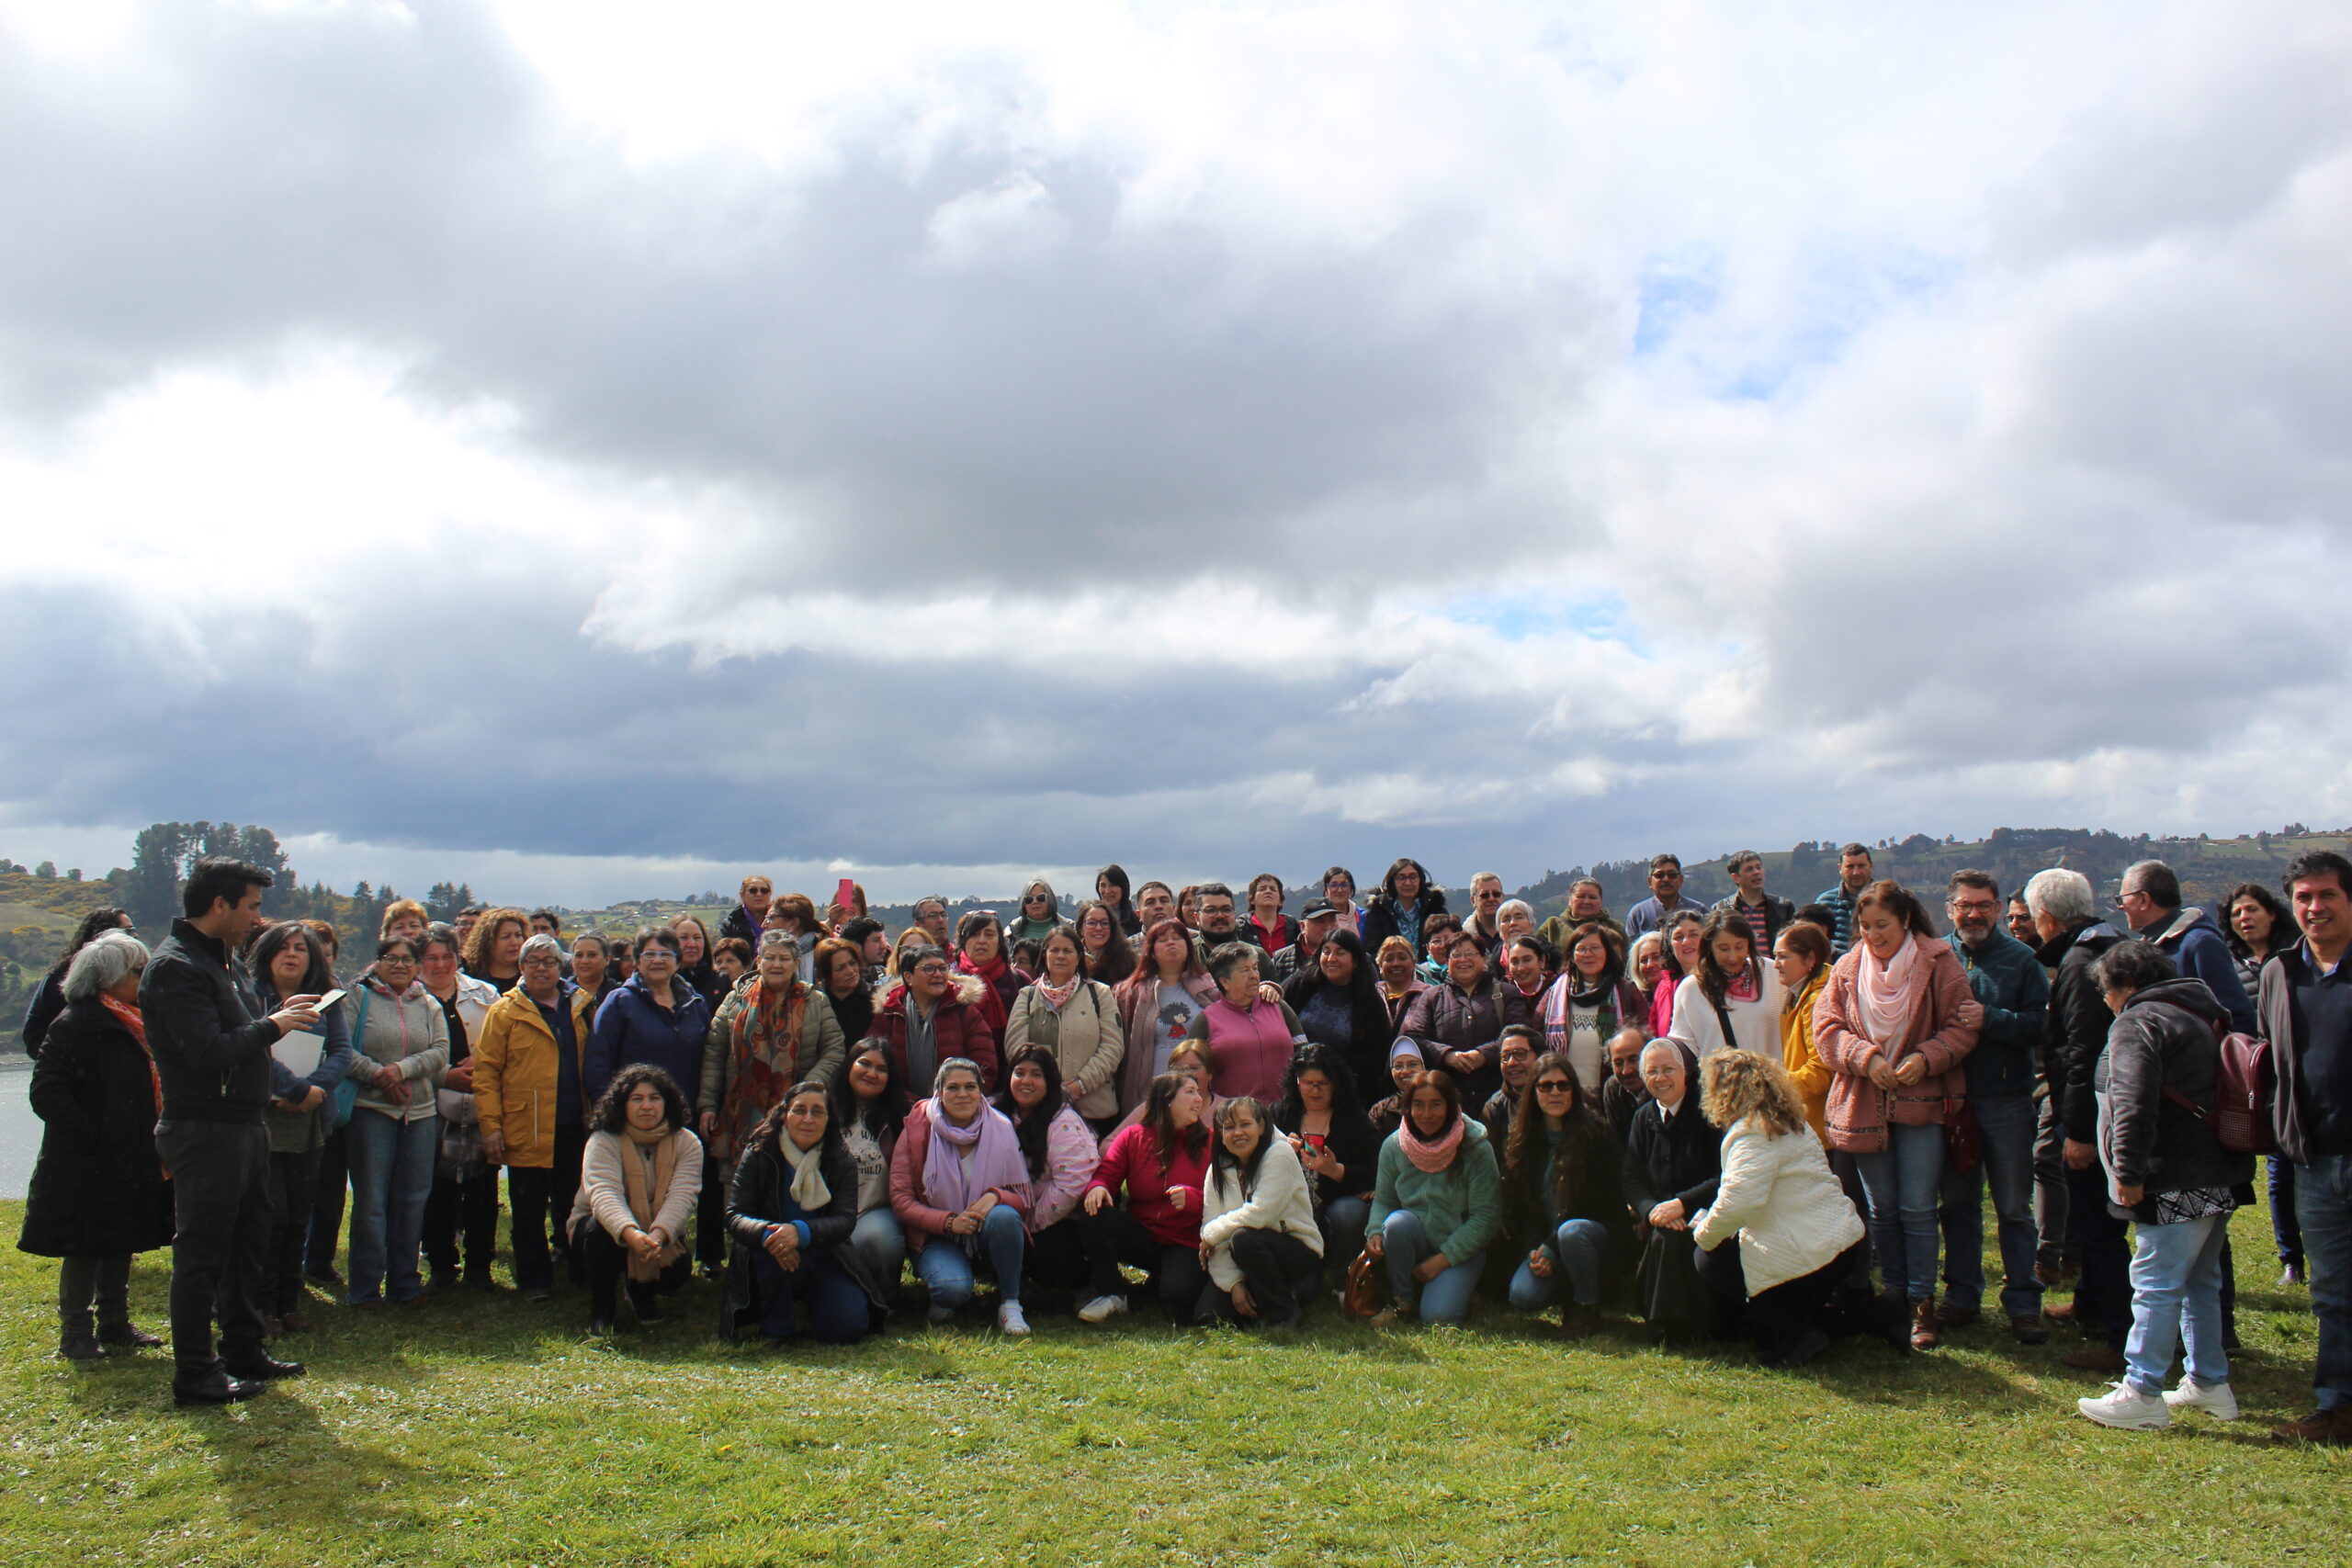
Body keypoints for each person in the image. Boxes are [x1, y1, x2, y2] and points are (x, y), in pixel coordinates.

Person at [144, 858, 319, 1401]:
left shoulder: (224, 961)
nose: (257, 918)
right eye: (251, 906)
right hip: (204, 1127)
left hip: (244, 1123)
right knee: (201, 1254)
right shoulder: (175, 967)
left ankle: (243, 1348)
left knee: (249, 1243)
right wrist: (274, 1025)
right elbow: (206, 1052)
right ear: (219, 905)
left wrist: (276, 1018)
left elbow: (241, 1035)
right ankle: (196, 1372)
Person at [2074, 940, 2252, 1431]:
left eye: (2107, 991)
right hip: (2217, 1170)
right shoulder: (2200, 1012)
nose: (2107, 1001)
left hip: (2170, 1175)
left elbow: (2132, 1101)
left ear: (2126, 985)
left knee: (2155, 1281)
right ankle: (2209, 1382)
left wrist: (2128, 1173)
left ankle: (2142, 1391)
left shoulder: (2139, 1021)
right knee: (2200, 1280)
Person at [1814, 880, 1983, 1349]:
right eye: (1865, 926)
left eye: (1882, 925)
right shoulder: (1847, 968)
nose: (1873, 935)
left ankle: (1921, 1301)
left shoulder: (1939, 962)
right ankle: (1894, 1299)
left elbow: (1962, 1026)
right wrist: (1866, 1059)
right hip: (1864, 1105)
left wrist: (1927, 1058)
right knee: (1882, 1209)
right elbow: (1825, 1030)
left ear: (1906, 920)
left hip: (1922, 1105)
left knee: (1917, 1207)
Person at [19, 931, 171, 1362]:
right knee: (83, 1246)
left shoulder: (135, 1022)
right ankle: (76, 1334)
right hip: (85, 1161)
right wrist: (95, 1138)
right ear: (108, 976)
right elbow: (47, 1093)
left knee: (120, 1238)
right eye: (138, 970)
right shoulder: (75, 1024)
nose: (145, 978)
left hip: (129, 1153)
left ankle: (116, 1324)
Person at [1690, 1050, 1890, 1368]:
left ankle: (1797, 1335)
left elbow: (1739, 1203)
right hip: (1843, 1244)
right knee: (1783, 1322)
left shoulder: (1752, 1134)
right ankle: (1881, 1314)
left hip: (1812, 1254)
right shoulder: (1793, 1122)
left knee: (1708, 1258)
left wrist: (1703, 1235)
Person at [2261, 850, 2352, 1445]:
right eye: (2304, 897)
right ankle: (2339, 1405)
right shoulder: (2280, 972)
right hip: (2315, 1160)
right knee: (2332, 1292)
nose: (2315, 907)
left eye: (2327, 895)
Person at [1939, 871, 2052, 1344]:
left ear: (1999, 909)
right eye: (1965, 906)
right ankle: (1962, 1297)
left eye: (1983, 906)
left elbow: (2041, 1027)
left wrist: (1991, 1019)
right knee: (1958, 1206)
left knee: (2013, 1208)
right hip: (1952, 1103)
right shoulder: (1935, 957)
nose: (1974, 915)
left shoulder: (2023, 960)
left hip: (2006, 1101)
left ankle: (2023, 1304)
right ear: (1950, 909)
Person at [2027, 866, 2133, 1371]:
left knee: (2097, 1226)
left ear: (2046, 917)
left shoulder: (2077, 963)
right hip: (2118, 1106)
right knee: (2096, 1222)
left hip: (2097, 1113)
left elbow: (2081, 1052)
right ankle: (2090, 1302)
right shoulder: (2113, 944)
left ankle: (2118, 1333)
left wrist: (2078, 1131)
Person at [472, 934, 598, 1301]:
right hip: (525, 1125)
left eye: (549, 962)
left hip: (573, 1124)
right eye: (533, 962)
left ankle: (578, 1271)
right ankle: (534, 1280)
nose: (541, 968)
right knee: (527, 1208)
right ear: (521, 967)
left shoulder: (582, 1006)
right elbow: (486, 1073)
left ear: (562, 967)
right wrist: (491, 1127)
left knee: (574, 1204)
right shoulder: (504, 1012)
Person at [719, 1083, 887, 1347]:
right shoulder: (759, 1154)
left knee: (847, 1328)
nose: (808, 1118)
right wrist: (770, 1235)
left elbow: (844, 1220)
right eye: (800, 1110)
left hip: (825, 1253)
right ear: (784, 1115)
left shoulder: (841, 1159)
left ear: (829, 1119)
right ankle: (777, 1328)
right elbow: (735, 1215)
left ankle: (813, 1303)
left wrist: (801, 1232)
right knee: (775, 1249)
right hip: (768, 1252)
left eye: (817, 1111)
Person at [251, 921, 354, 1332]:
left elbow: (342, 1052)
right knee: (270, 1216)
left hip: (310, 1121)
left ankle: (287, 1303)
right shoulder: (250, 999)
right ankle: (261, 1306)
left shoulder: (327, 1001)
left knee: (297, 1217)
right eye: (284, 947)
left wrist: (315, 1089)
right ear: (267, 954)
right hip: (263, 1121)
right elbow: (253, 1048)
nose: (292, 954)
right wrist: (294, 1089)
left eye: (301, 948)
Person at [340, 936, 450, 1307]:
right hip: (371, 1112)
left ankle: (405, 1283)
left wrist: (401, 1070)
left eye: (407, 959)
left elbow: (440, 1052)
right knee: (371, 1202)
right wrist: (378, 1076)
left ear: (417, 966)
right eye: (391, 958)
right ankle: (365, 1289)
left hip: (420, 1115)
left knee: (413, 1199)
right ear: (377, 963)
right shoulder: (358, 998)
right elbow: (343, 1050)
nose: (399, 965)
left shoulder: (429, 1003)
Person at [891, 1057, 1035, 1332]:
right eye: (953, 1088)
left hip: (985, 1229)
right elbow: (902, 1201)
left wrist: (996, 1197)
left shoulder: (1001, 1127)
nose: (962, 1094)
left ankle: (1010, 1303)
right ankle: (946, 1287)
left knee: (1005, 1217)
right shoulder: (917, 1129)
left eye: (970, 1087)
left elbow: (1024, 1199)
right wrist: (948, 1222)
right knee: (951, 1291)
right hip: (937, 1235)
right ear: (939, 1092)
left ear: (981, 1091)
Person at [1501, 1051, 1628, 1337]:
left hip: (1593, 1238)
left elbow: (1597, 1207)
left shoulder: (1596, 1135)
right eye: (1546, 1086)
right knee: (1523, 1296)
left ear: (1574, 1090)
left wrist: (1552, 1247)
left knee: (1572, 1233)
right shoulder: (1524, 1141)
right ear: (1534, 1092)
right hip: (1547, 1244)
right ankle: (1570, 1287)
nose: (1555, 1092)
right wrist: (1537, 1252)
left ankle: (1586, 1307)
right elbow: (1524, 1209)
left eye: (1563, 1085)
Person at [570, 1066, 701, 1334]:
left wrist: (657, 1236)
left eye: (654, 1098)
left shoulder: (688, 1143)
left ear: (667, 1102)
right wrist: (631, 1234)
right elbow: (604, 1194)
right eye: (637, 1099)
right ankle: (602, 1310)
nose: (647, 1106)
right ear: (622, 1104)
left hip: (657, 1232)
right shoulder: (603, 1140)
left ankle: (641, 1292)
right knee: (597, 1231)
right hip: (604, 1231)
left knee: (678, 1271)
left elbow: (683, 1196)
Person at [1364, 1069, 1500, 1325]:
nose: (1427, 1114)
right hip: (1415, 1239)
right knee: (1396, 1223)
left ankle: (1458, 1288)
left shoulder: (1476, 1147)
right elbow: (1384, 1200)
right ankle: (1402, 1301)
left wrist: (1443, 1259)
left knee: (1439, 1317)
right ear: (1408, 1108)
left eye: (1436, 1104)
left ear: (1450, 1106)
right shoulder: (1394, 1146)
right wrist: (1374, 1232)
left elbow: (1486, 1217)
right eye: (1418, 1105)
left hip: (1460, 1247)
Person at [703, 930, 847, 1168]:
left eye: (784, 958)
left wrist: (808, 1087)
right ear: (759, 961)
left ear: (796, 964)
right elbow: (714, 1054)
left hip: (797, 1113)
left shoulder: (815, 1001)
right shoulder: (735, 1000)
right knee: (740, 1182)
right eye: (770, 957)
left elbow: (835, 1049)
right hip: (740, 1114)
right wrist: (707, 1104)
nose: (776, 964)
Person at [1079, 1071, 1212, 1322]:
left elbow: (1226, 1196)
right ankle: (1111, 1294)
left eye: (1198, 1092)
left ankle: (1163, 1280)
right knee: (1095, 1213)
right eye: (1190, 1092)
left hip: (1184, 1241)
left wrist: (1194, 1199)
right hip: (1142, 1235)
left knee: (1179, 1297)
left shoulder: (1211, 1142)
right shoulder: (1133, 1137)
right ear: (1167, 1100)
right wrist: (1098, 1186)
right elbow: (1107, 1172)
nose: (1199, 1098)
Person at [2227, 880, 2305, 1287]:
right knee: (2279, 1175)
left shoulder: (2295, 957)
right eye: (2237, 913)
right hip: (2260, 1082)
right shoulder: (2230, 965)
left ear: (2272, 914)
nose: (2245, 918)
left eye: (2252, 909)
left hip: (2299, 1073)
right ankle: (2290, 1258)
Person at [417, 923, 499, 1292]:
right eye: (431, 958)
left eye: (447, 957)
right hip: (430, 1103)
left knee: (482, 1187)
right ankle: (441, 1265)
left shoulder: (485, 993)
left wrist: (481, 1065)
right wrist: (446, 1075)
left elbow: (502, 1042)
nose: (440, 965)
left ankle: (480, 1265)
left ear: (458, 957)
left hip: (481, 1102)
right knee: (437, 1188)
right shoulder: (409, 997)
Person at [1623, 1039, 1721, 1338]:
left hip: (1706, 1213)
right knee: (1666, 1234)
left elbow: (1723, 1177)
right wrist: (1652, 1210)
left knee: (1672, 1238)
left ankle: (1671, 1326)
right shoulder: (1643, 1117)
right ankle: (1668, 1324)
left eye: (1668, 1069)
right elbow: (1632, 1178)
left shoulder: (1709, 1114)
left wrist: (1681, 1205)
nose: (1661, 1078)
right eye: (1652, 1072)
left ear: (1684, 1072)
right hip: (1662, 1216)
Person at [1196, 1097, 1322, 1326]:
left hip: (1294, 1249)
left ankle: (1283, 1314)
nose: (1238, 1133)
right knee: (1209, 1317)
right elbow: (1213, 1231)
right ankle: (1260, 1299)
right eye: (1229, 1127)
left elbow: (1260, 1214)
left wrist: (1212, 1233)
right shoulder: (1217, 1171)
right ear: (1221, 1135)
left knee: (1243, 1238)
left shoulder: (1280, 1154)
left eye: (1245, 1124)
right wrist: (1234, 1283)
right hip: (1243, 1256)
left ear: (1261, 1126)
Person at [994, 1044, 1099, 1300]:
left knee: (1046, 1256)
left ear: (1050, 1082)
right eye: (1019, 1073)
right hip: (1006, 1212)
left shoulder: (1063, 1122)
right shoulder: (995, 1113)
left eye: (1036, 1074)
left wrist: (1029, 1224)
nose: (1026, 1081)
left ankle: (1089, 1283)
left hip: (1054, 1219)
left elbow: (1070, 1184)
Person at [1001, 926, 1126, 1134]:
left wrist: (1079, 1085)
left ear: (1078, 957)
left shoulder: (1100, 994)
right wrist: (1046, 1089)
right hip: (1038, 1109)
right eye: (1054, 950)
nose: (1060, 956)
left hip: (1095, 1110)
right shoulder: (1027, 996)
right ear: (1045, 956)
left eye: (1067, 951)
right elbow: (1016, 1049)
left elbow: (1113, 1048)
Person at [1272, 1044, 1380, 1268]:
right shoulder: (1279, 1114)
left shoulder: (1354, 1119)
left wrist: (1334, 1170)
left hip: (1335, 1209)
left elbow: (1374, 1171)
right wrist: (1279, 1149)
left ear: (1336, 1084)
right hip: (1288, 1208)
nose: (1315, 1091)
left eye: (1323, 1084)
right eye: (1308, 1083)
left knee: (1349, 1212)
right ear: (1296, 1082)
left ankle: (1342, 1273)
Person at [2117, 861, 2256, 1034]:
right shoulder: (2151, 946)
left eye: (2122, 899)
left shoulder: (2200, 943)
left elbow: (2237, 1016)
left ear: (2144, 900)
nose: (2120, 906)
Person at [1400, 931, 1529, 1111]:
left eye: (1470, 954)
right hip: (1447, 1099)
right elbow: (1414, 1037)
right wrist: (1446, 1055)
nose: (1463, 960)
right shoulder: (1432, 996)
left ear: (1484, 959)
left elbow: (1520, 1033)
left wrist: (1483, 1055)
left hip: (1500, 1097)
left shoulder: (1506, 993)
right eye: (1456, 955)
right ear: (1447, 961)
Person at [1114, 919, 1218, 1115]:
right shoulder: (1130, 993)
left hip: (1201, 1094)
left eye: (1177, 938)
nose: (1171, 942)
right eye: (1162, 940)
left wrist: (1269, 987)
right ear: (1151, 951)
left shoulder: (1211, 988)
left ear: (1188, 946)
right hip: (1152, 1094)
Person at [873, 943, 1001, 1093]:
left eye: (942, 968)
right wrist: (904, 1102)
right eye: (929, 969)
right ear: (908, 977)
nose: (938, 974)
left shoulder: (964, 1012)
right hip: (899, 1103)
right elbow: (874, 1062)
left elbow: (985, 1067)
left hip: (955, 1103)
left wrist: (951, 1100)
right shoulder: (889, 1014)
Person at [1189, 942, 1306, 1106]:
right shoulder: (1207, 1020)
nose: (1254, 975)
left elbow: (1304, 1055)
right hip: (1233, 1115)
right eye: (1245, 970)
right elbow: (1189, 1071)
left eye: (1255, 968)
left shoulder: (1278, 1006)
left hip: (1284, 1111)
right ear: (1225, 982)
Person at [832, 1045, 909, 1293]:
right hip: (826, 1212)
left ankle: (882, 1297)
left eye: (881, 1069)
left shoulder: (900, 1119)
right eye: (864, 1063)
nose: (871, 1073)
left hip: (874, 1211)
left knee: (881, 1240)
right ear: (849, 1065)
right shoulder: (824, 1110)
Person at [1283, 926, 1392, 1098]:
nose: (1331, 959)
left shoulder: (1369, 1002)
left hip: (1344, 1091)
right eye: (1326, 952)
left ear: (1355, 962)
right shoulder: (1302, 983)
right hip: (1294, 1082)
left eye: (1340, 953)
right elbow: (1276, 1009)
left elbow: (1377, 1056)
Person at [1667, 909, 1786, 1061]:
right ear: (1709, 947)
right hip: (1721, 1076)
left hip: (1775, 1074)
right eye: (1724, 949)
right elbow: (1684, 1048)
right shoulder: (1692, 989)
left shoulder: (1771, 972)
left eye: (1739, 947)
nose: (1733, 957)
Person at [1541, 922, 1645, 1092]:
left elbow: (1646, 1037)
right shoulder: (1555, 994)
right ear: (1571, 956)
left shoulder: (1625, 991)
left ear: (1607, 952)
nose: (1588, 954)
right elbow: (1537, 1035)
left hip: (1612, 1092)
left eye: (1595, 948)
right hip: (1566, 1095)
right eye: (1581, 949)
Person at [18, 907, 133, 1059]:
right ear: (104, 935)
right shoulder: (62, 976)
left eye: (133, 930)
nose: (135, 935)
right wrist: (66, 1064)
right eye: (128, 931)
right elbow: (35, 1032)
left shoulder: (133, 975)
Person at [1770, 923, 1835, 1143]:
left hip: (1819, 1126)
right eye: (1775, 956)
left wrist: (1773, 1087)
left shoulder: (1817, 1002)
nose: (1776, 964)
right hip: (1808, 1122)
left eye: (1783, 956)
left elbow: (1820, 1071)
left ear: (1810, 959)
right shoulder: (1797, 995)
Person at [953, 911, 1023, 1040]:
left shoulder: (1019, 979)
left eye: (989, 935)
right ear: (964, 941)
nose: (981, 941)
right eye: (974, 934)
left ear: (999, 942)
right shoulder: (950, 980)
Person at [1711, 852, 1795, 957]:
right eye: (1749, 869)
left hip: (1774, 965)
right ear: (1736, 877)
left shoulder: (1783, 906)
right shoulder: (1722, 909)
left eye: (1758, 867)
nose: (1756, 872)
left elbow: (1793, 942)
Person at [1363, 857, 1447, 959]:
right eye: (1401, 878)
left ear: (1420, 880)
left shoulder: (1436, 910)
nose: (1408, 883)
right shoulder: (1379, 912)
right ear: (1393, 882)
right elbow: (1373, 950)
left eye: (1413, 877)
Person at [1480, 1025, 1543, 1146]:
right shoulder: (1495, 1107)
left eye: (1520, 1054)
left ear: (1539, 1057)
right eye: (1505, 1056)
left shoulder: (1559, 1094)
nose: (1511, 1062)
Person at [1624, 854, 1709, 943]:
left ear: (1681, 880)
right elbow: (1630, 949)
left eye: (1672, 875)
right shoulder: (1638, 914)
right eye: (1659, 875)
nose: (1666, 879)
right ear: (1650, 881)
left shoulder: (1699, 910)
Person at [1649, 911, 1706, 1040]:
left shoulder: (1721, 980)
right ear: (1669, 945)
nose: (1686, 941)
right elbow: (1655, 1033)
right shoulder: (1664, 987)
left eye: (1694, 935)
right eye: (1678, 937)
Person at [812, 935, 876, 1049]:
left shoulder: (875, 999)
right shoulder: (816, 1002)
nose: (850, 971)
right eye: (840, 968)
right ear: (826, 974)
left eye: (852, 963)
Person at [1813, 843, 1876, 955]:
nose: (1856, 872)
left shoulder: (1889, 901)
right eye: (1850, 867)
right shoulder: (1824, 903)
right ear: (1840, 868)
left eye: (1861, 866)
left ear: (1871, 866)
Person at [1535, 878, 1623, 956]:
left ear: (1601, 901)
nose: (1587, 901)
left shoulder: (1615, 927)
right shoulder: (1552, 925)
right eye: (1581, 897)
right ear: (1570, 900)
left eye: (1593, 897)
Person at [1269, 899, 1341, 984]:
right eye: (1319, 921)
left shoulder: (1348, 957)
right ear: (1303, 927)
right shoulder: (1281, 960)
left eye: (1332, 920)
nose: (1328, 927)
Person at [1600, 1026, 1651, 1142]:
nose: (1626, 1071)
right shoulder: (1613, 1088)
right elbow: (1617, 1141)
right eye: (1618, 1063)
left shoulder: (1662, 1085)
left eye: (1634, 1059)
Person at [460, 908, 527, 994]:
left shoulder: (530, 975)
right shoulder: (468, 977)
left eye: (518, 935)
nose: (515, 942)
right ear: (488, 941)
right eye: (506, 937)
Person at [1365, 1037, 1423, 1136]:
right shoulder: (1380, 1111)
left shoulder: (1443, 1103)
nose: (1405, 1071)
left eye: (1413, 1064)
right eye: (1398, 1066)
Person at [672, 914, 729, 1013]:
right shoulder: (662, 984)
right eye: (684, 938)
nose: (692, 944)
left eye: (697, 938)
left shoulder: (721, 982)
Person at [1072, 900, 1137, 987]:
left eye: (1105, 923)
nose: (1099, 928)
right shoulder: (1072, 961)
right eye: (1091, 923)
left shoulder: (1128, 963)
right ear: (1081, 929)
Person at [1375, 936, 1429, 1034]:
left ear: (1414, 963)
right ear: (1380, 966)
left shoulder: (1429, 996)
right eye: (1389, 959)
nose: (1396, 963)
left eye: (1402, 958)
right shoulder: (1371, 995)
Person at [1243, 873, 1299, 956]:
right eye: (1262, 889)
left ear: (1280, 900)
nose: (1268, 891)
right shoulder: (1242, 927)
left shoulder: (1293, 927)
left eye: (1273, 889)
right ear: (1252, 899)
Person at [718, 874, 774, 953]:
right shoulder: (730, 925)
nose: (759, 894)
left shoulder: (780, 921)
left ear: (770, 894)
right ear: (742, 895)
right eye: (753, 890)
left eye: (764, 891)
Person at [1008, 880, 1069, 948]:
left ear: (1050, 900)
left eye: (1041, 898)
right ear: (1024, 904)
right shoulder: (1011, 932)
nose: (1035, 902)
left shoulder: (1071, 929)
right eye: (1029, 899)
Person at [1462, 873, 1508, 963]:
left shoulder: (1515, 935)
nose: (1491, 899)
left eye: (1496, 894)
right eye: (1484, 895)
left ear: (1502, 897)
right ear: (1473, 900)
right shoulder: (1463, 939)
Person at [570, 932, 619, 1010]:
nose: (584, 961)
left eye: (592, 955)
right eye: (579, 955)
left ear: (607, 959)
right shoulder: (561, 994)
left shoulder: (618, 995)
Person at [1416, 913, 1463, 987]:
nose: (1443, 945)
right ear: (1428, 948)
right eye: (1437, 941)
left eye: (1448, 939)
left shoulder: (1472, 970)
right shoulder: (1418, 975)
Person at [1094, 864, 1142, 936]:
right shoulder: (1090, 920)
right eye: (1103, 885)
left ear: (1123, 888)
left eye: (1112, 885)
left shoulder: (1136, 923)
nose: (1107, 891)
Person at [1321, 867, 1364, 933]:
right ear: (1326, 889)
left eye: (1344, 885)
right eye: (1334, 885)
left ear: (1351, 889)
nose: (1340, 890)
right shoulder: (1318, 917)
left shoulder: (1363, 917)